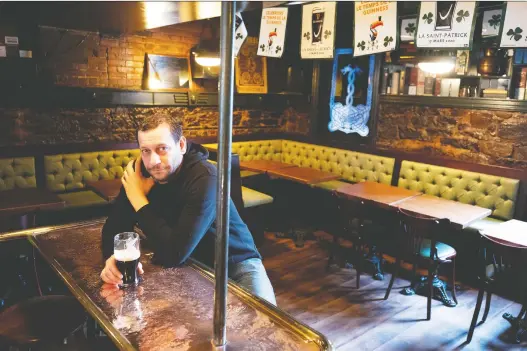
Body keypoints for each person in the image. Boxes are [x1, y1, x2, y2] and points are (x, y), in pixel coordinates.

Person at [99, 114, 276, 305]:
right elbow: (113, 229)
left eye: (162, 149)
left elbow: (173, 254)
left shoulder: (205, 178)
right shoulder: (140, 173)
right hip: (189, 266)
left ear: (181, 145)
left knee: (266, 325)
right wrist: (112, 259)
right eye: (145, 151)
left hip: (235, 265)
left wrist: (138, 198)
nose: (153, 161)